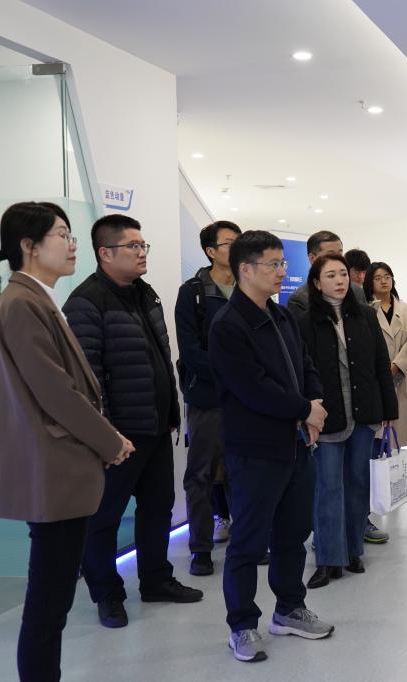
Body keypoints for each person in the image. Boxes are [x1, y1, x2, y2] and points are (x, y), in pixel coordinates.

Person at [0, 202, 135, 681]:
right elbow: (56, 393)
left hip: (60, 468)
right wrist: (110, 441)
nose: (71, 245)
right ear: (29, 246)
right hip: (53, 469)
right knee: (48, 604)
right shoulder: (22, 303)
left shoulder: (35, 298)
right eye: (62, 234)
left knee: (53, 600)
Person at [64, 214, 202, 629]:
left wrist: (172, 412)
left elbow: (159, 359)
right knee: (103, 518)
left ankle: (156, 579)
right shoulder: (86, 302)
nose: (143, 253)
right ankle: (107, 594)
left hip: (155, 427)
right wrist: (106, 436)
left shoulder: (146, 294)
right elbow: (87, 378)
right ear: (105, 253)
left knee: (157, 508)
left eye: (144, 246)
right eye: (133, 246)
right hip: (118, 435)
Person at [209, 230, 334, 663]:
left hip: (296, 445)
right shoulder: (228, 325)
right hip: (255, 450)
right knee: (247, 541)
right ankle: (242, 625)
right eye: (273, 264)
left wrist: (314, 405)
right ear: (246, 269)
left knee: (293, 534)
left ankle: (289, 609)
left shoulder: (281, 316)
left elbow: (307, 366)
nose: (282, 271)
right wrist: (305, 410)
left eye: (282, 263)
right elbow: (253, 388)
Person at [296, 255, 397, 588]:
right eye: (330, 275)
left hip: (363, 412)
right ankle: (328, 558)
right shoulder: (305, 321)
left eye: (342, 274)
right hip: (327, 417)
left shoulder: (365, 315)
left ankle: (353, 551)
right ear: (316, 283)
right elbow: (301, 372)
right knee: (327, 487)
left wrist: (389, 409)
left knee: (357, 484)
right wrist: (306, 413)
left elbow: (381, 363)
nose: (339, 280)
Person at [174, 220, 241, 576]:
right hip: (208, 398)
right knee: (201, 475)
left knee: (241, 472)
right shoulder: (193, 293)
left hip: (246, 401)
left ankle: (246, 541)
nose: (238, 247)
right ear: (211, 251)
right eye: (229, 243)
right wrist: (232, 374)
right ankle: (200, 549)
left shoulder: (249, 287)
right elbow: (190, 350)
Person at [363, 261, 407, 468]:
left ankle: (392, 479)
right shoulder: (366, 309)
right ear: (370, 282)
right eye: (378, 278)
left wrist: (396, 365)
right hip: (375, 378)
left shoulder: (405, 309)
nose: (384, 281)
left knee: (395, 438)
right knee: (374, 438)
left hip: (398, 377)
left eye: (387, 277)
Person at [285, 230, 366, 314]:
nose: (338, 260)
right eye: (331, 256)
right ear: (312, 258)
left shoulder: (356, 291)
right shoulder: (299, 299)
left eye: (340, 254)